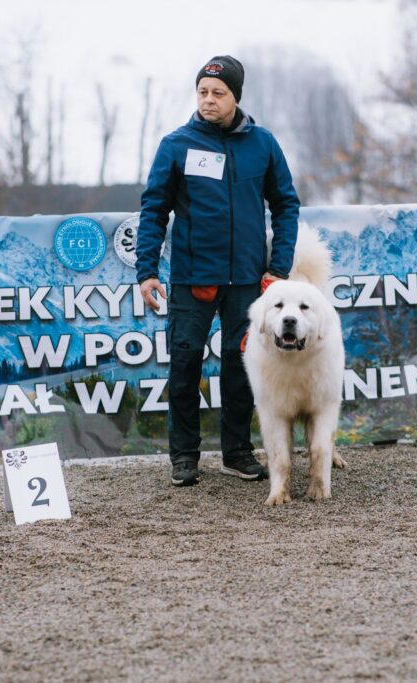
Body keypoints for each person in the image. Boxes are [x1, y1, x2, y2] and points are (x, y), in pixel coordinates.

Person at [135, 55, 300, 487]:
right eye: (202, 92)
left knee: (241, 366)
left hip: (248, 280)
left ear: (235, 97)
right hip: (193, 279)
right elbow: (154, 210)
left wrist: (279, 268)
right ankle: (184, 456)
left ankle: (237, 453)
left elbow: (286, 204)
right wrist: (146, 271)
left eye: (218, 93)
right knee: (185, 364)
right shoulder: (176, 145)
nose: (208, 100)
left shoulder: (263, 144)